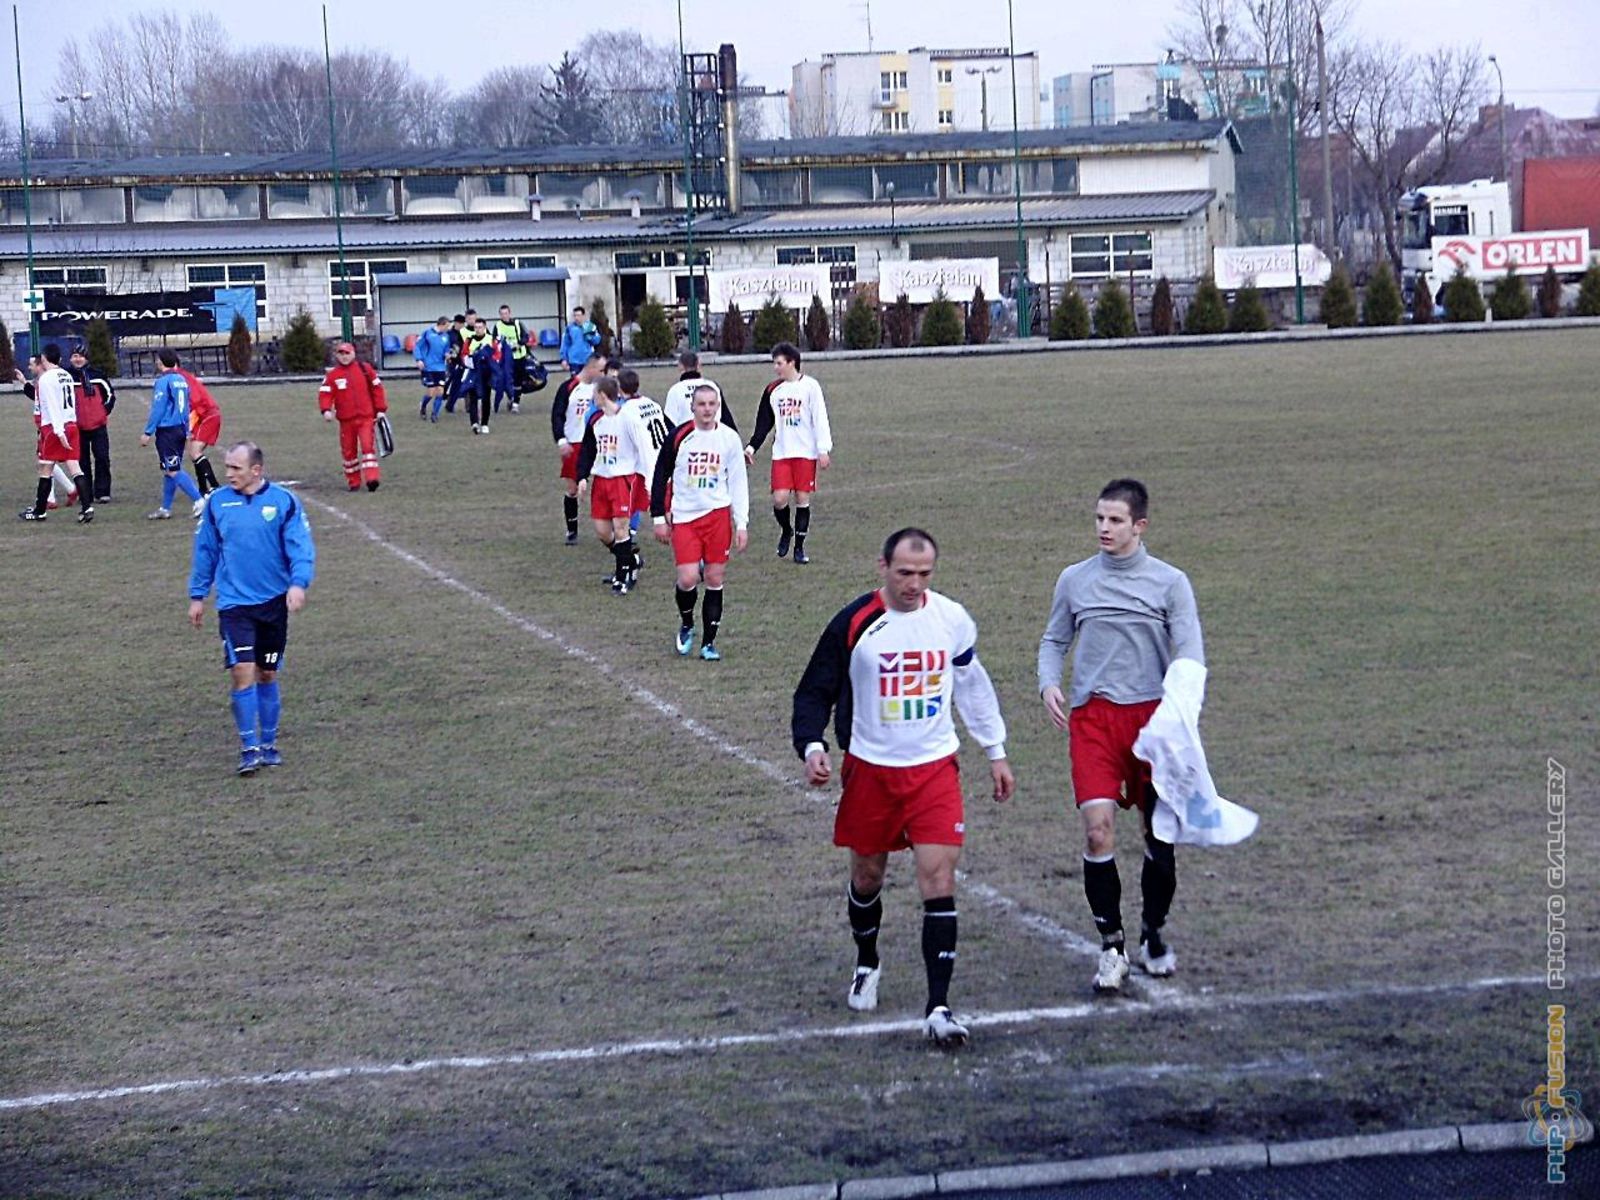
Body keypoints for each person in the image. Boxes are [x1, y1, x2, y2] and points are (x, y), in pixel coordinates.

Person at [793, 528, 1014, 1047]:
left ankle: (939, 1007)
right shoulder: (854, 624)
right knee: (867, 876)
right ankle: (867, 961)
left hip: (934, 769)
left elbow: (973, 685)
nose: (915, 585)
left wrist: (996, 750)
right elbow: (814, 691)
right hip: (870, 771)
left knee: (938, 878)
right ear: (883, 567)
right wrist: (812, 746)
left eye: (924, 574)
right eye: (905, 573)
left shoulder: (951, 620)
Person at [1037, 478, 1205, 993]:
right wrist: (1048, 682)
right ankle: (1112, 947)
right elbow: (1054, 638)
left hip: (1154, 725)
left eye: (1114, 520)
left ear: (1139, 526)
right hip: (1093, 722)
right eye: (1099, 519)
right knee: (1097, 832)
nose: (1104, 529)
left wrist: (1182, 714)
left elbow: (1191, 653)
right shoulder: (1075, 580)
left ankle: (1153, 932)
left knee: (1160, 839)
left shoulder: (1170, 583)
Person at [188, 441, 316, 776]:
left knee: (267, 672)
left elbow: (300, 547)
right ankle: (249, 748)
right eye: (227, 467)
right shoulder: (216, 504)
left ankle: (270, 743)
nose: (228, 473)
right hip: (234, 605)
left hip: (273, 603)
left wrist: (298, 583)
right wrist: (198, 595)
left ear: (255, 470)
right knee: (242, 672)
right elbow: (206, 551)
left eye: (235, 468)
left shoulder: (284, 503)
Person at [650, 383, 749, 659]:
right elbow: (660, 476)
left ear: (718, 407)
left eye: (711, 404)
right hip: (685, 517)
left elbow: (738, 482)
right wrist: (658, 515)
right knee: (688, 577)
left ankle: (709, 643)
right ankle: (686, 622)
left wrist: (741, 523)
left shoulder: (729, 439)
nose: (707, 409)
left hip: (718, 516)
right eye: (701, 404)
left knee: (715, 578)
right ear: (692, 407)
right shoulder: (679, 436)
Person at [745, 340, 832, 565]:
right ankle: (786, 530)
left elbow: (819, 417)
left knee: (802, 499)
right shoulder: (773, 390)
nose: (776, 368)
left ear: (792, 362)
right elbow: (764, 423)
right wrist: (752, 446)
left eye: (779, 363)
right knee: (780, 499)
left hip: (805, 453)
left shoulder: (810, 386)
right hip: (782, 453)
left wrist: (823, 449)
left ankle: (799, 549)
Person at [575, 375, 646, 595]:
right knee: (603, 532)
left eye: (595, 394)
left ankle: (622, 577)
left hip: (622, 480)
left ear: (603, 395)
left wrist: (648, 479)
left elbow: (644, 449)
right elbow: (588, 450)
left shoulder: (627, 419)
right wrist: (582, 477)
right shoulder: (596, 420)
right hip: (601, 481)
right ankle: (631, 559)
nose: (592, 398)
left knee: (621, 528)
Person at [16, 345, 94, 524]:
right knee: (74, 467)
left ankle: (40, 510)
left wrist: (59, 432)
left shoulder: (46, 379)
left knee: (45, 468)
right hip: (71, 424)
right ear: (59, 359)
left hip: (54, 428)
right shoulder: (66, 375)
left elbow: (52, 405)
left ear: (43, 358)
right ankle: (87, 507)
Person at [549, 351, 607, 544]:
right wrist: (561, 440)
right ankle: (571, 530)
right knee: (573, 489)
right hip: (574, 443)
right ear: (590, 368)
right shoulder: (569, 387)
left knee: (606, 484)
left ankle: (615, 527)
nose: (603, 373)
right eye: (600, 370)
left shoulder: (602, 388)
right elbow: (557, 414)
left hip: (600, 443)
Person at [139, 349, 204, 520]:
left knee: (173, 470)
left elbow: (158, 408)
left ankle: (199, 501)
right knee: (169, 469)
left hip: (168, 430)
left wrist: (148, 432)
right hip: (180, 429)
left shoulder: (163, 382)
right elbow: (186, 407)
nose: (156, 363)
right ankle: (165, 508)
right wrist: (187, 429)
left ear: (161, 362)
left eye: (157, 360)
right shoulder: (181, 379)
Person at [317, 341, 388, 492]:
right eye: (341, 354)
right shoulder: (333, 375)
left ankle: (372, 479)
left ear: (353, 354)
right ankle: (353, 482)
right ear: (336, 356)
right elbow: (325, 393)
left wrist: (380, 409)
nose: (344, 357)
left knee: (368, 447)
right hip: (346, 420)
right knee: (349, 452)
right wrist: (326, 410)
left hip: (366, 417)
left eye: (347, 353)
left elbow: (377, 388)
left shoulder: (365, 369)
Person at [67, 347, 116, 505]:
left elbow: (110, 396)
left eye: (81, 356)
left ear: (87, 358)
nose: (78, 359)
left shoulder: (97, 375)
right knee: (82, 461)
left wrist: (101, 413)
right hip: (77, 427)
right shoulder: (66, 377)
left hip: (98, 425)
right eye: (75, 356)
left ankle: (102, 492)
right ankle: (85, 491)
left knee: (102, 458)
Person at [175, 355, 222, 503]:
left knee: (195, 452)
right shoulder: (179, 377)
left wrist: (187, 426)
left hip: (207, 416)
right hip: (202, 416)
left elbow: (194, 402)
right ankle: (203, 489)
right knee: (193, 452)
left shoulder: (181, 378)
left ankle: (215, 486)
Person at [662, 350, 738, 431]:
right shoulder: (713, 386)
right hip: (714, 438)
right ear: (698, 365)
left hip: (686, 440)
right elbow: (727, 421)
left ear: (680, 366)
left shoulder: (675, 391)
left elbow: (669, 424)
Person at [414, 315, 453, 421]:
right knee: (431, 392)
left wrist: (447, 354)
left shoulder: (446, 336)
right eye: (447, 326)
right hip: (428, 367)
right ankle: (423, 407)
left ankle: (434, 414)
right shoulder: (427, 334)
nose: (448, 328)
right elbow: (417, 346)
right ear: (442, 324)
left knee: (440, 391)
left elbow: (447, 348)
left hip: (440, 368)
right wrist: (419, 359)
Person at [462, 316, 496, 434]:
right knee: (473, 398)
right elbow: (464, 355)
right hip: (474, 373)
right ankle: (474, 423)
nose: (478, 329)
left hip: (487, 373)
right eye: (476, 327)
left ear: (485, 327)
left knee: (486, 398)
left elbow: (497, 355)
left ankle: (485, 423)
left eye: (480, 327)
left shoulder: (490, 339)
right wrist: (471, 362)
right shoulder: (469, 340)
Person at [491, 304, 527, 414]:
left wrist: (518, 344)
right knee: (505, 379)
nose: (504, 316)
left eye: (506, 313)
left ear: (510, 313)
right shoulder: (497, 326)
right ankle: (511, 398)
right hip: (504, 358)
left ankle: (516, 403)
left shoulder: (517, 323)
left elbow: (526, 337)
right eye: (502, 314)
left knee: (518, 380)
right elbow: (494, 341)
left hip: (519, 356)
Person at [439, 313, 467, 417]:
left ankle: (450, 405)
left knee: (458, 385)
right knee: (449, 382)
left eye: (462, 323)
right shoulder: (449, 334)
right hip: (452, 362)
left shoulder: (464, 333)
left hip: (462, 361)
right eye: (459, 323)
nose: (461, 325)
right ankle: (442, 399)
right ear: (455, 323)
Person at [560, 304, 600, 374]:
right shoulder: (570, 328)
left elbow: (597, 341)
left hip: (587, 359)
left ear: (583, 316)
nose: (576, 318)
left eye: (578, 315)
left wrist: (590, 336)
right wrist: (564, 359)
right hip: (574, 361)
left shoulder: (590, 326)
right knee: (575, 381)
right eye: (575, 315)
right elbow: (565, 344)